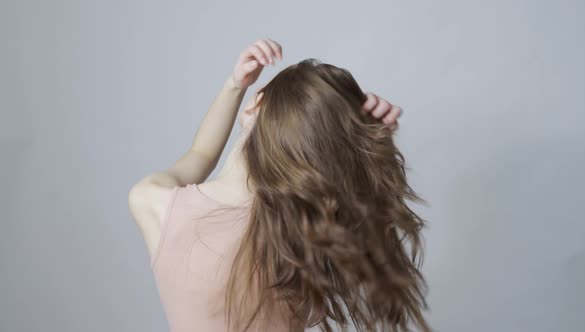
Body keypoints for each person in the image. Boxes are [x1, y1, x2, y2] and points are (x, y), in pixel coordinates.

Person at [128, 38, 431, 332]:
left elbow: (201, 154)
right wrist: (376, 147)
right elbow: (374, 237)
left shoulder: (156, 205)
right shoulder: (305, 231)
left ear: (253, 107)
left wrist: (234, 86)